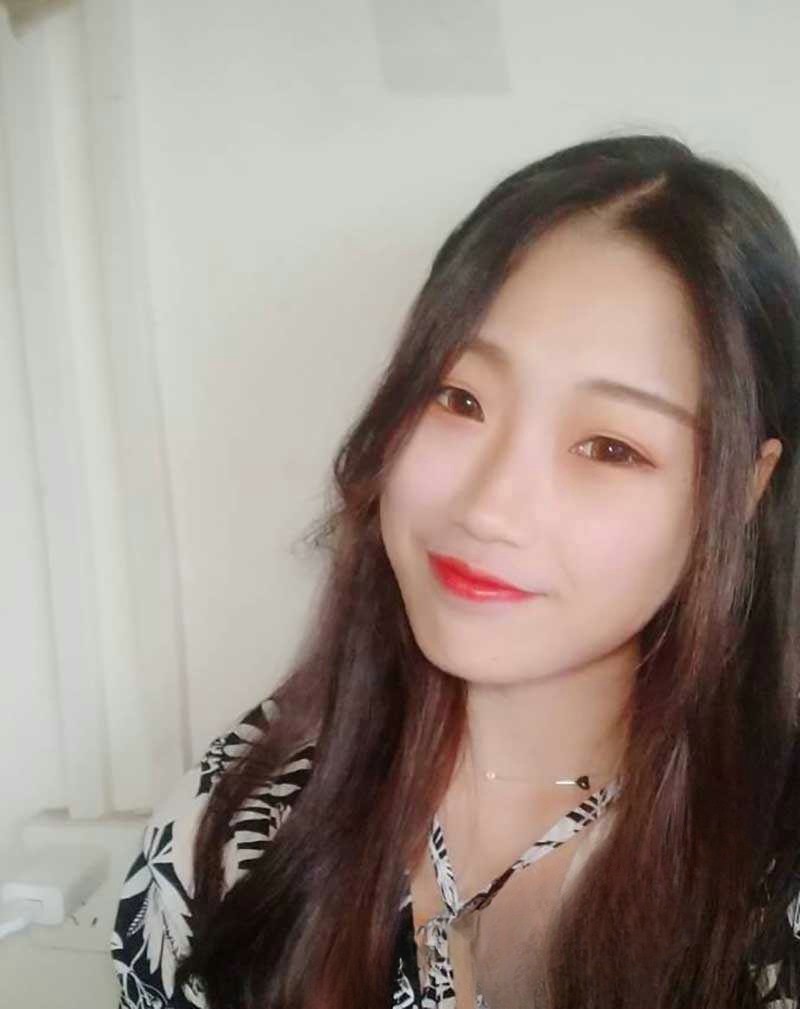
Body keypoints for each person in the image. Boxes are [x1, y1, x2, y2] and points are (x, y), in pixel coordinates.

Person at [111, 132, 800, 1009]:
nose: (489, 507)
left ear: (743, 487)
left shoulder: (775, 865)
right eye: (459, 397)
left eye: (610, 446)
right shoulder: (239, 824)